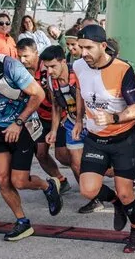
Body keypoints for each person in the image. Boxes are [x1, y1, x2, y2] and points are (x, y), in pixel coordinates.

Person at [0, 27, 63, 241]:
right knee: (2, 179)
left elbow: (38, 93)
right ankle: (22, 222)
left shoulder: (10, 66)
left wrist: (18, 122)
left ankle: (47, 185)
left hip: (23, 127)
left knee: (20, 181)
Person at [74, 25, 135, 253]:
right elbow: (80, 91)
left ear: (103, 46)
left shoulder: (123, 69)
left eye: (88, 48)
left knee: (126, 192)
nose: (82, 52)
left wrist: (114, 118)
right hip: (95, 138)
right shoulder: (78, 66)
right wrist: (78, 119)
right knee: (88, 190)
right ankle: (116, 204)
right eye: (80, 47)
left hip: (123, 137)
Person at [38, 45, 101, 214]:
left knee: (104, 164)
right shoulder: (51, 80)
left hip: (93, 122)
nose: (49, 71)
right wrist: (53, 129)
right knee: (75, 162)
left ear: (63, 61)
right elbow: (56, 106)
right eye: (46, 67)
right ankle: (93, 198)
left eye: (53, 66)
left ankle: (121, 175)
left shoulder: (80, 74)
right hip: (73, 122)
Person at [16, 38, 70, 192]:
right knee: (41, 154)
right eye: (20, 56)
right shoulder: (20, 71)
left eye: (26, 56)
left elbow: (56, 100)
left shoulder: (48, 69)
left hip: (58, 116)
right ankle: (61, 180)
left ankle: (92, 174)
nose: (22, 60)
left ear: (35, 53)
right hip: (38, 118)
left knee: (63, 156)